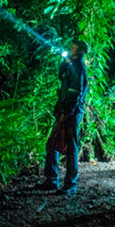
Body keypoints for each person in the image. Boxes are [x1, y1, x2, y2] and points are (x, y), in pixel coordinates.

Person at [37, 40, 89, 196]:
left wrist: (67, 112)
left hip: (70, 113)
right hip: (64, 111)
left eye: (73, 48)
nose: (70, 49)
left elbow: (77, 92)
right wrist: (64, 63)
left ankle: (70, 185)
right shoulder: (72, 65)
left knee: (71, 147)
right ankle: (52, 180)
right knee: (52, 144)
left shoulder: (79, 67)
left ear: (79, 51)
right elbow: (62, 78)